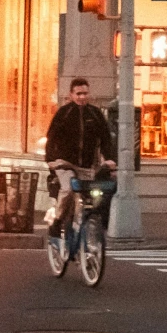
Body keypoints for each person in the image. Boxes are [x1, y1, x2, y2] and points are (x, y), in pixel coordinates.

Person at [44, 77, 116, 236]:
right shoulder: (64, 112)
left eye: (85, 93)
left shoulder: (95, 114)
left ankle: (88, 230)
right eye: (78, 93)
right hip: (65, 163)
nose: (82, 97)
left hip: (87, 166)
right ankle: (57, 219)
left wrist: (109, 159)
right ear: (71, 94)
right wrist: (50, 160)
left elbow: (105, 139)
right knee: (69, 189)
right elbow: (52, 137)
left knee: (93, 196)